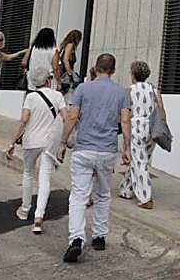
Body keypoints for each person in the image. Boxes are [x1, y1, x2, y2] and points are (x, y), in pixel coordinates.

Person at [56, 52, 131, 263]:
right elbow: (125, 122)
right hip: (107, 150)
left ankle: (76, 238)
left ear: (96, 68)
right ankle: (99, 236)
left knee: (79, 196)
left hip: (84, 149)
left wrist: (62, 142)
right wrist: (127, 148)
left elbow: (72, 117)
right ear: (113, 70)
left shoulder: (82, 89)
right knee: (103, 194)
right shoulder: (121, 93)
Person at [5, 66, 66, 234]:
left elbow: (24, 120)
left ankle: (25, 209)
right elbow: (66, 117)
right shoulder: (58, 96)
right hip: (49, 143)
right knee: (44, 177)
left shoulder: (30, 97)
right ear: (48, 80)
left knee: (28, 173)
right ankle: (39, 217)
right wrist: (62, 140)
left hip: (31, 141)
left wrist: (12, 143)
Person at [118, 60, 166, 209]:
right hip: (152, 126)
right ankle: (126, 189)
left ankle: (145, 197)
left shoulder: (129, 91)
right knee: (142, 160)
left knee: (139, 161)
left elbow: (125, 113)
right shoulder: (154, 90)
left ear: (133, 74)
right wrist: (162, 126)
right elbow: (161, 110)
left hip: (136, 126)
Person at [55, 28, 82, 98]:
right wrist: (70, 74)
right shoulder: (70, 45)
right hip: (66, 73)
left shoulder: (66, 45)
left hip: (63, 73)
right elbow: (65, 60)